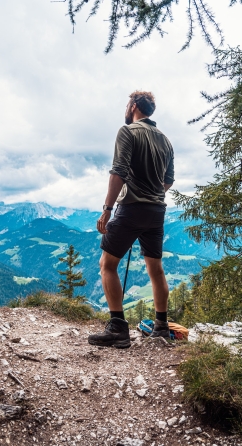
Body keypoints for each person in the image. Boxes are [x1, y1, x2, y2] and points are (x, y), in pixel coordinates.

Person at [88, 91, 174, 348]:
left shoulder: (128, 131)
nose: (126, 109)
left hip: (131, 208)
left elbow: (119, 172)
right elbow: (168, 181)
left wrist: (107, 208)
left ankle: (117, 328)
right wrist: (153, 192)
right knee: (155, 269)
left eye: (128, 104)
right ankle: (161, 327)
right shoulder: (166, 141)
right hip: (156, 211)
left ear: (134, 106)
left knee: (107, 264)